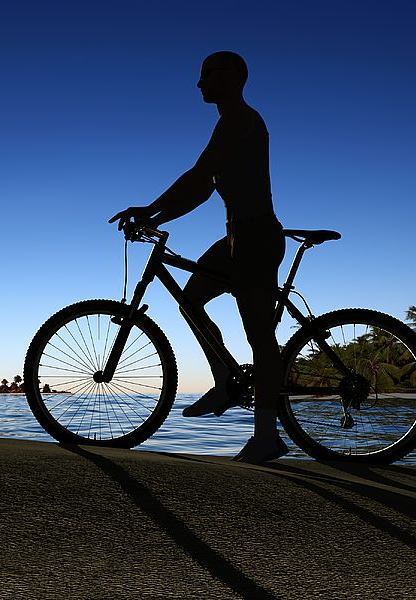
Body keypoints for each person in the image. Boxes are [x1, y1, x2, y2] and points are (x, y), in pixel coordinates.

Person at [109, 51, 287, 463]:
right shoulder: (228, 123)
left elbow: (199, 175)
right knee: (189, 302)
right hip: (234, 239)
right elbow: (203, 189)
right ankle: (225, 380)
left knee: (259, 335)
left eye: (207, 74)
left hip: (256, 236)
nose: (199, 83)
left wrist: (149, 209)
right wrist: (154, 214)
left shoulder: (241, 120)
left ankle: (267, 436)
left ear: (235, 76)